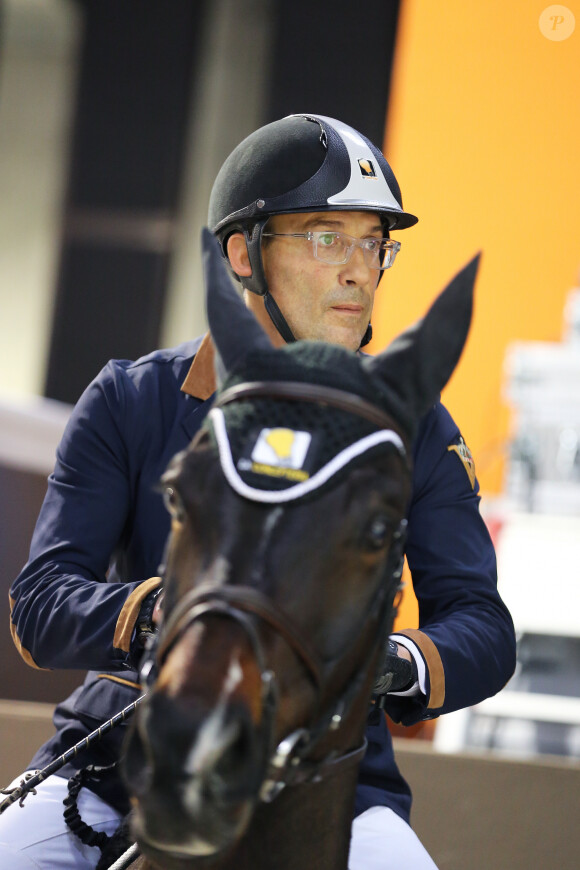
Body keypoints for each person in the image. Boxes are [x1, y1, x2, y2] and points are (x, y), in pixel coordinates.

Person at [2, 113, 516, 869]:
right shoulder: (132, 398)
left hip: (331, 789)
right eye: (325, 237)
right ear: (244, 254)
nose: (359, 270)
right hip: (118, 764)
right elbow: (41, 603)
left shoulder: (416, 427)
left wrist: (395, 660)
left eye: (374, 243)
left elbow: (481, 623)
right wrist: (166, 619)